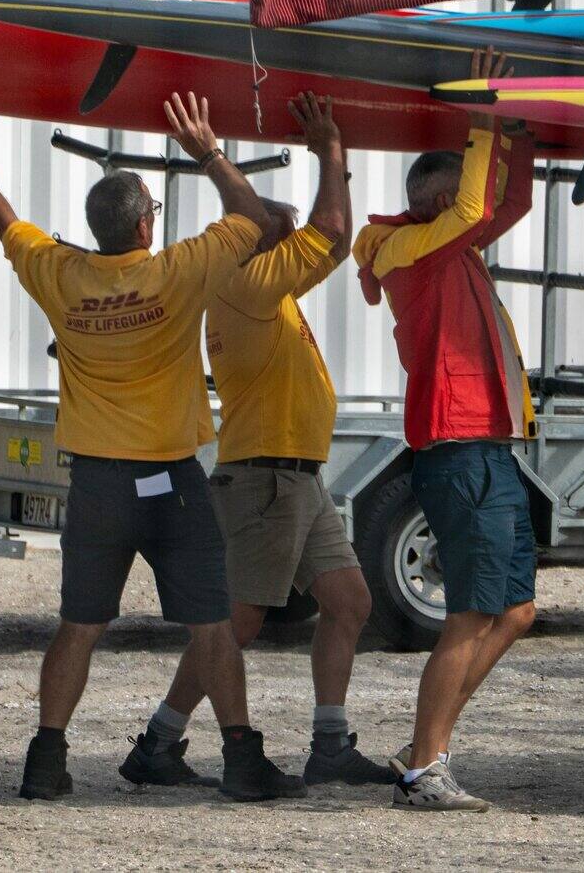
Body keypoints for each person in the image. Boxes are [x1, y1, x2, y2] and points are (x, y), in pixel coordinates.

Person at [0, 94, 306, 805]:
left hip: (97, 487)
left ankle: (46, 759)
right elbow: (258, 220)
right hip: (171, 478)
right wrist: (208, 151)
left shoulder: (61, 274)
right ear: (144, 223)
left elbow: (7, 227)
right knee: (213, 623)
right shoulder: (180, 269)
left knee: (79, 625)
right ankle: (242, 760)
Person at [154, 92, 394, 787]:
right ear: (259, 239)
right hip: (264, 478)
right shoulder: (247, 284)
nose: (294, 243)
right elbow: (331, 231)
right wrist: (331, 149)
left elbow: (302, 227)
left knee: (348, 601)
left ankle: (329, 743)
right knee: (239, 621)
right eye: (280, 233)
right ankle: (159, 741)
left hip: (297, 475)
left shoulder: (266, 286)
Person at [351, 49, 539, 813]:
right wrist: (485, 112)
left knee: (516, 610)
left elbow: (504, 208)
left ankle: (423, 744)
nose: (473, 200)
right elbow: (472, 208)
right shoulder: (407, 250)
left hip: (490, 446)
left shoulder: (449, 243)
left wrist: (520, 137)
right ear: (428, 197)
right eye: (457, 186)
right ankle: (425, 770)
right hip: (456, 448)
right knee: (468, 610)